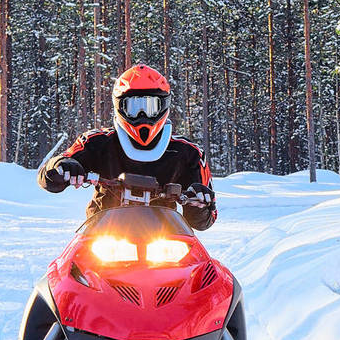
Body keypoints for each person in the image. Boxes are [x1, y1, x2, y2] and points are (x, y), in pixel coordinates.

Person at [38, 64, 216, 231]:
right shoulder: (96, 142)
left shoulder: (188, 153)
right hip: (102, 237)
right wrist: (62, 166)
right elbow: (48, 179)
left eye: (151, 107)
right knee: (64, 264)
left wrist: (199, 203)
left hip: (166, 240)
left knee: (207, 265)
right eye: (133, 107)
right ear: (119, 106)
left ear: (164, 106)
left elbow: (202, 222)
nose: (142, 115)